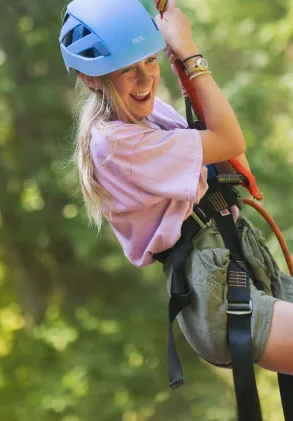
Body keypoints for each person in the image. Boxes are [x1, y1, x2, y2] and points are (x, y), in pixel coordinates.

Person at [59, 0, 293, 376]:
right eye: (126, 70)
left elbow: (235, 161)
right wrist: (191, 53)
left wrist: (185, 69)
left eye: (149, 61)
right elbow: (230, 141)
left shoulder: (151, 116)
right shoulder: (115, 144)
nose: (145, 79)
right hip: (215, 288)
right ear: (90, 78)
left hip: (239, 258)